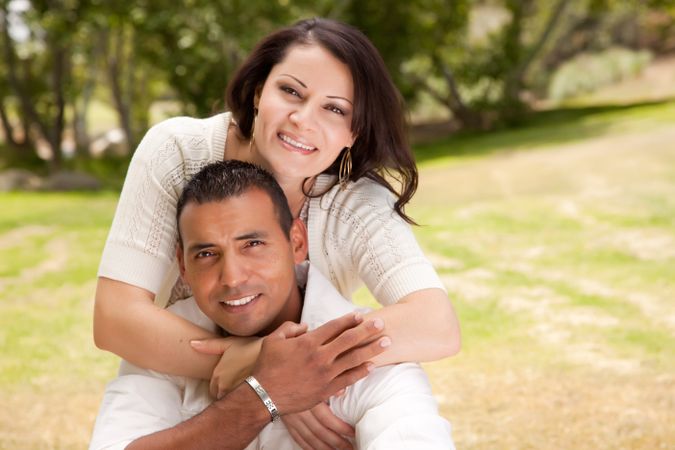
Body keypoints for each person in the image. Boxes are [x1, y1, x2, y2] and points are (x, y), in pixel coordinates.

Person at [94, 17, 460, 447]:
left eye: (335, 108)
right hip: (175, 370)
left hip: (305, 376)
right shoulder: (177, 152)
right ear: (256, 94)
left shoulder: (354, 202)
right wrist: (264, 372)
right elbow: (116, 318)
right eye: (291, 91)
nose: (303, 120)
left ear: (352, 133)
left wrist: (297, 370)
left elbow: (435, 324)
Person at [90, 161, 454, 450]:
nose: (232, 277)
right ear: (183, 265)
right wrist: (264, 395)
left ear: (297, 242)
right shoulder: (163, 347)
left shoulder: (373, 361)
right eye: (206, 253)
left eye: (253, 245)